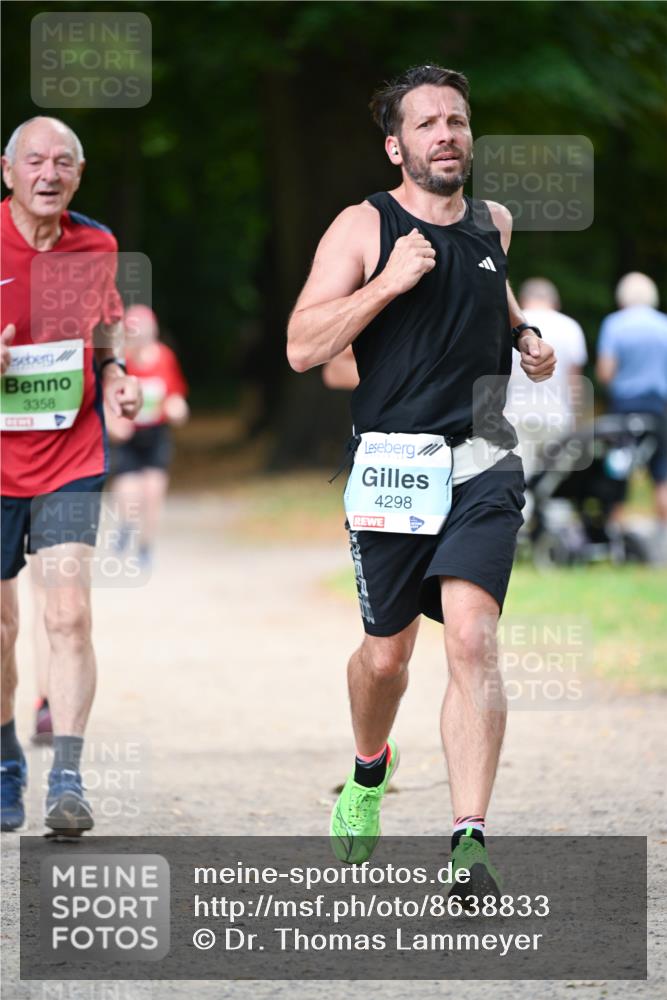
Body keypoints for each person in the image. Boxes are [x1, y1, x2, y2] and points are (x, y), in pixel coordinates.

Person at [288, 65, 555, 895]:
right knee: (385, 659)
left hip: (480, 461)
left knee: (472, 637)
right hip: (391, 473)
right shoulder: (363, 226)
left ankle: (467, 840)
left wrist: (526, 337)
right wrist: (386, 282)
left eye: (457, 121)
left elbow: (493, 299)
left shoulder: (493, 223)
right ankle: (369, 772)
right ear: (395, 145)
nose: (446, 134)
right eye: (428, 123)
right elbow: (302, 346)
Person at [0, 117, 142, 834]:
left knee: (68, 614)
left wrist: (116, 372)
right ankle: (4, 760)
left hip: (69, 455)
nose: (48, 174)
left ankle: (67, 778)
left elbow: (107, 323)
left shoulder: (97, 244)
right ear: (8, 171)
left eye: (62, 163)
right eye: (34, 162)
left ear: (77, 176)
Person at [106, 304, 189, 567]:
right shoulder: (119, 363)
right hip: (127, 438)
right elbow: (105, 398)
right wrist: (113, 423)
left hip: (155, 434)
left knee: (153, 493)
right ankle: (126, 525)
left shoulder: (165, 357)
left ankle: (145, 547)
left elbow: (175, 393)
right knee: (130, 495)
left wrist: (177, 409)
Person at [596, 272, 667, 532]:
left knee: (618, 469)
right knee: (662, 473)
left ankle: (614, 531)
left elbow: (605, 372)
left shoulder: (615, 324)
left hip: (624, 408)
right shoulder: (664, 325)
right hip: (658, 407)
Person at [505, 278, 588, 479]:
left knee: (519, 477)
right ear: (555, 301)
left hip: (515, 412)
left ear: (521, 300)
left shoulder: (511, 327)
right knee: (548, 480)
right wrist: (577, 420)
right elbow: (574, 380)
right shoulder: (570, 327)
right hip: (557, 414)